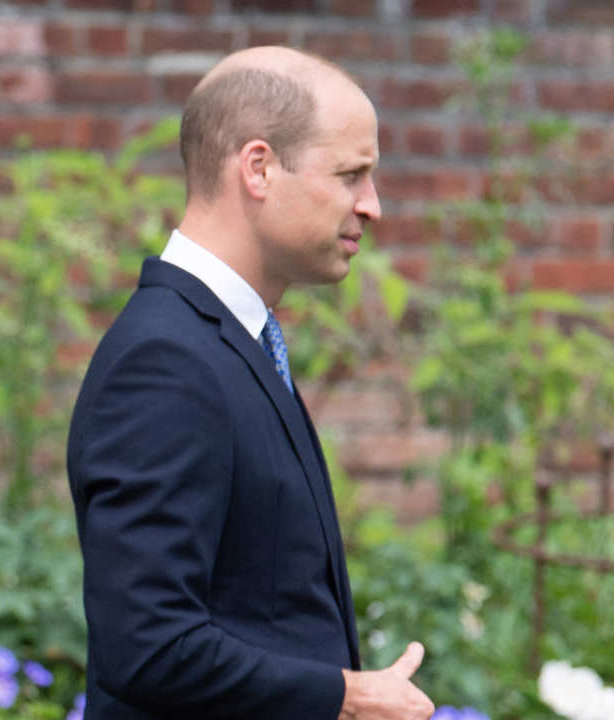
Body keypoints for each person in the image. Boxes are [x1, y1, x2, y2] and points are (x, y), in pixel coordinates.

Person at [66, 46, 434, 720]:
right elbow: (146, 644)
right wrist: (348, 697)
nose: (372, 206)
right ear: (258, 167)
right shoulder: (167, 362)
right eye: (351, 175)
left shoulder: (227, 343)